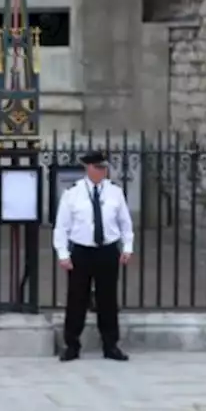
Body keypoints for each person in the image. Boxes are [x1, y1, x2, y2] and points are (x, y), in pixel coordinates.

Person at [52, 151, 134, 362]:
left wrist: (127, 247)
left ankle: (110, 344)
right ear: (88, 168)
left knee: (107, 298)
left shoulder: (115, 192)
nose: (101, 172)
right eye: (97, 168)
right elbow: (62, 226)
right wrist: (63, 253)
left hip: (107, 250)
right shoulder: (73, 193)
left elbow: (125, 223)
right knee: (77, 298)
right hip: (82, 250)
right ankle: (72, 344)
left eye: (104, 168)